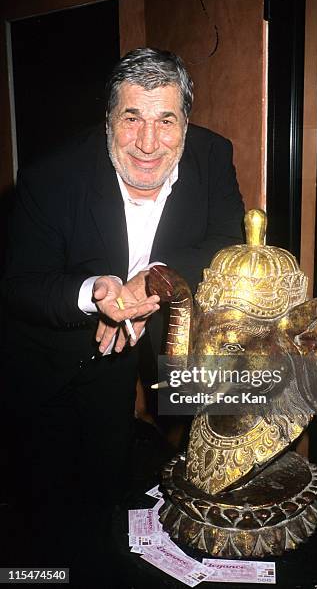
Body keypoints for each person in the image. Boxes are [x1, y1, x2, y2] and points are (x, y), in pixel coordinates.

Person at [1, 48, 244, 566]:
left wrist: (148, 282)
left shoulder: (213, 156)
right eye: (131, 118)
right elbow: (20, 284)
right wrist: (95, 292)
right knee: (46, 512)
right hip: (51, 358)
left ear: (186, 121)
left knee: (106, 489)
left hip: (129, 358)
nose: (148, 143)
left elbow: (225, 246)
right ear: (109, 118)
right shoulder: (49, 177)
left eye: (165, 120)